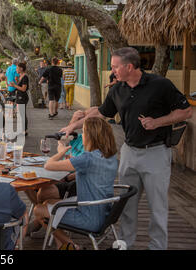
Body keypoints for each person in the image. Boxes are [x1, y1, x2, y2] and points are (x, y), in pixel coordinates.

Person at [60, 47, 192, 250]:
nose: (112, 71)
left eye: (114, 67)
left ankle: (157, 247)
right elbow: (101, 114)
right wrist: (72, 126)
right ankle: (124, 244)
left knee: (157, 207)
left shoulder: (160, 85)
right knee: (126, 204)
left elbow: (186, 111)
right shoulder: (117, 89)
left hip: (156, 153)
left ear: (129, 66)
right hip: (129, 152)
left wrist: (158, 122)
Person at [33, 117, 119, 249]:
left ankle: (71, 245)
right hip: (105, 213)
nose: (82, 136)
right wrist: (71, 159)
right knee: (48, 202)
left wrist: (61, 151)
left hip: (89, 218)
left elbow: (48, 165)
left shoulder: (87, 158)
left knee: (39, 210)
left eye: (84, 132)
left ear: (91, 136)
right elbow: (85, 164)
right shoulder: (110, 156)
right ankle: (62, 245)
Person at [9, 62, 29, 136]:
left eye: (17, 68)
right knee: (20, 114)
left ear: (21, 68)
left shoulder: (25, 77)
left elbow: (23, 89)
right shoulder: (20, 76)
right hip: (19, 96)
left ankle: (24, 130)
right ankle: (22, 129)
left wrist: (14, 85)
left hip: (22, 97)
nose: (16, 69)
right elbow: (20, 86)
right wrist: (16, 82)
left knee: (22, 114)